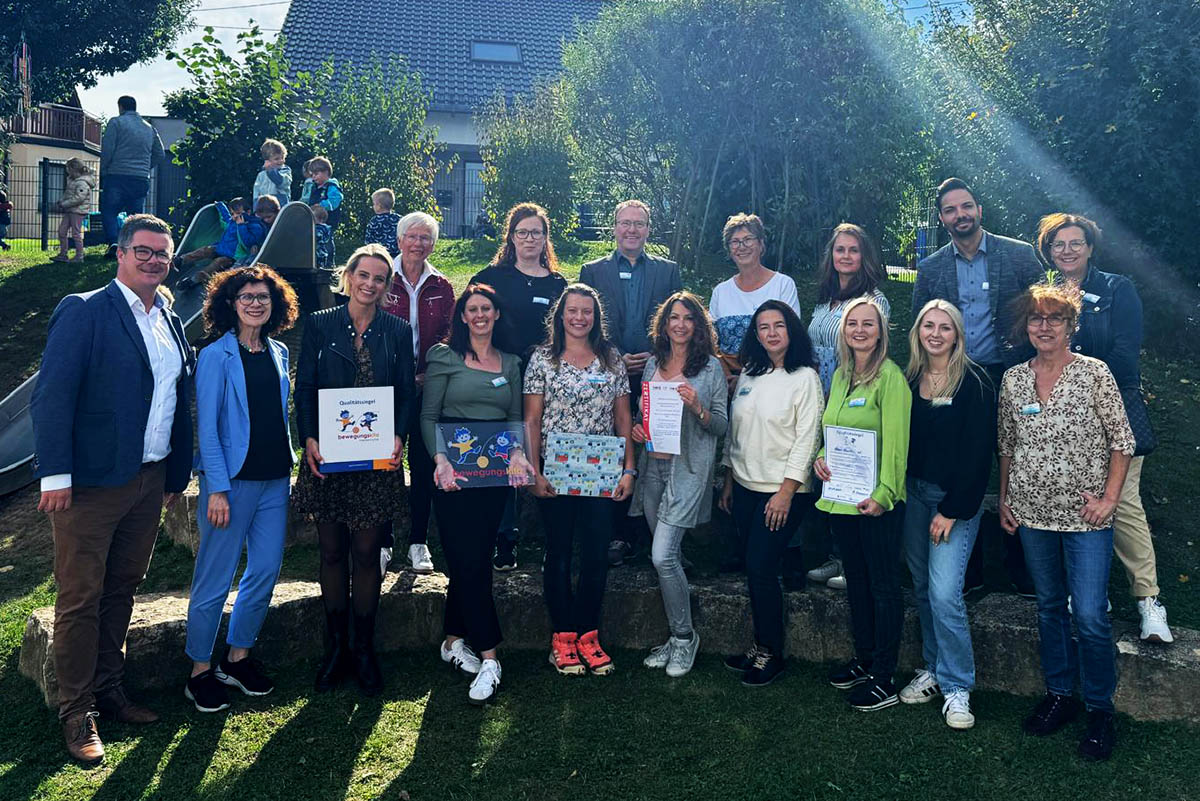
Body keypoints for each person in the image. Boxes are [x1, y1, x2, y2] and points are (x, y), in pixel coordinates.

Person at [31, 214, 195, 766]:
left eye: (163, 254)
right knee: (80, 596)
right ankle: (76, 710)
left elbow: (174, 401)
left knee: (123, 586)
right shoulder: (85, 310)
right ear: (121, 254)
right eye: (144, 251)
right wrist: (54, 475)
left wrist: (174, 477)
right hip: (90, 486)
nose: (154, 261)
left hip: (149, 481)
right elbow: (52, 396)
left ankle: (109, 689)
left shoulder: (169, 318)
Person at [998, 283, 1134, 762]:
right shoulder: (1014, 380)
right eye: (1036, 318)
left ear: (1071, 325)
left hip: (1086, 517)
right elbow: (1007, 446)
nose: (1045, 326)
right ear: (1027, 326)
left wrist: (1110, 499)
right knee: (1050, 605)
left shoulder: (1095, 374)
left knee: (1092, 615)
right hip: (1032, 512)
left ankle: (1099, 709)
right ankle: (1059, 694)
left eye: (1055, 318)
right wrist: (1005, 499)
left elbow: (1123, 442)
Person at [1036, 213, 1173, 644]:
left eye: (1076, 243)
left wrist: (1081, 388)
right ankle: (1091, 592)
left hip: (1113, 415)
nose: (1068, 251)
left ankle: (1149, 601)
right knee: (1075, 500)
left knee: (1124, 502)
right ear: (1049, 250)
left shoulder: (1118, 289)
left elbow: (1125, 354)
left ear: (1091, 247)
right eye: (1059, 244)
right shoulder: (1045, 298)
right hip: (1061, 422)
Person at [912, 177, 1044, 596]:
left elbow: (1047, 316)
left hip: (1011, 375)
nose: (960, 215)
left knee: (1019, 464)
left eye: (965, 206)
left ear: (979, 210)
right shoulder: (932, 267)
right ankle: (967, 573)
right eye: (950, 210)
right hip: (957, 378)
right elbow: (920, 322)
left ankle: (1022, 568)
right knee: (958, 462)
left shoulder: (1020, 256)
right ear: (941, 219)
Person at [294, 244, 415, 696]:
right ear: (348, 276)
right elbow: (304, 387)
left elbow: (406, 391)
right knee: (330, 553)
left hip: (377, 458)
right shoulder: (320, 323)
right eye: (363, 275)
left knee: (366, 553)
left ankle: (364, 648)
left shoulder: (396, 330)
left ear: (387, 286)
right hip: (327, 456)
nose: (370, 284)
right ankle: (336, 647)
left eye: (379, 278)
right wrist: (307, 437)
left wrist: (400, 434)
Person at [183, 266, 300, 713]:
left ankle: (237, 658)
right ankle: (199, 671)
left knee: (266, 570)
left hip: (274, 480)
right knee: (214, 579)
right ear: (230, 304)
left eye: (263, 297)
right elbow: (207, 428)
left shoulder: (279, 351)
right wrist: (215, 487)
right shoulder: (215, 355)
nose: (256, 303)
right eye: (247, 296)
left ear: (275, 305)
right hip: (230, 485)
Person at [421, 283, 535, 704]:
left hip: (494, 478)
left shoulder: (511, 362)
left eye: (487, 307)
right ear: (463, 316)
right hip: (454, 475)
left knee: (475, 561)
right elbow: (430, 414)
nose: (481, 314)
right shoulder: (444, 356)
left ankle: (452, 641)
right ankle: (490, 655)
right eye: (473, 309)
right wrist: (440, 460)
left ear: (496, 314)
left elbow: (511, 417)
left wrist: (519, 453)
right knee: (467, 562)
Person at [524, 285, 636, 676]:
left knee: (594, 553)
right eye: (572, 310)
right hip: (554, 471)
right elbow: (532, 420)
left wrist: (628, 468)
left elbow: (624, 419)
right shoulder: (542, 359)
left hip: (601, 472)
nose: (579, 318)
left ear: (595, 316)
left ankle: (589, 634)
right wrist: (533, 471)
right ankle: (562, 637)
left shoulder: (611, 359)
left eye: (587, 311)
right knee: (557, 552)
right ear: (560, 314)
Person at [898, 300, 995, 730]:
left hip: (952, 503)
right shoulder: (910, 377)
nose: (935, 334)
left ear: (958, 334)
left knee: (943, 593)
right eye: (928, 326)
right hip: (913, 496)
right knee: (921, 586)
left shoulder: (975, 382)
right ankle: (934, 668)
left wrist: (952, 510)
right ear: (918, 331)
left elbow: (978, 456)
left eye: (945, 327)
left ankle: (958, 686)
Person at [813, 297, 911, 712]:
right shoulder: (841, 375)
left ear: (881, 330)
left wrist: (884, 494)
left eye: (867, 323)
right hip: (843, 500)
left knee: (885, 586)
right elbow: (832, 428)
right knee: (857, 580)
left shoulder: (891, 379)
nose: (859, 330)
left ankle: (885, 676)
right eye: (852, 323)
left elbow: (896, 444)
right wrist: (820, 455)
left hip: (877, 504)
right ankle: (865, 658)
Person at [718, 300, 823, 686]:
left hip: (782, 492)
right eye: (763, 327)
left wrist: (786, 492)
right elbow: (736, 431)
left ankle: (771, 652)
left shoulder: (805, 378)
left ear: (791, 330)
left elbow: (808, 438)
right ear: (756, 335)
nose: (772, 333)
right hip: (744, 486)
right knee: (754, 568)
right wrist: (728, 479)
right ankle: (760, 643)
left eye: (779, 325)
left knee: (762, 568)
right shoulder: (749, 373)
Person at [578, 200, 682, 567]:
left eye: (639, 224)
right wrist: (615, 355)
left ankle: (660, 535)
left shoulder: (668, 272)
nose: (632, 230)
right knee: (615, 448)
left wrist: (655, 359)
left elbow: (678, 322)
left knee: (659, 452)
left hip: (659, 374)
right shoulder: (592, 271)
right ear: (614, 227)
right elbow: (583, 321)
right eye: (625, 223)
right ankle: (617, 534)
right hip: (609, 371)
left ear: (649, 230)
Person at [632, 292, 727, 678]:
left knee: (663, 557)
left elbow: (720, 425)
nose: (681, 324)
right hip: (653, 468)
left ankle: (685, 638)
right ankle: (675, 636)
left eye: (689, 318)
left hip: (688, 472)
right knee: (666, 558)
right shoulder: (653, 362)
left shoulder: (711, 370)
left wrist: (698, 408)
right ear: (664, 322)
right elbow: (645, 412)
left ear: (699, 325)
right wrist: (639, 428)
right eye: (674, 317)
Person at [470, 203, 568, 570]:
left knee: (544, 451)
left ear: (546, 239)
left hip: (547, 379)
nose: (530, 239)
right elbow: (471, 317)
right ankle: (505, 538)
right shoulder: (491, 276)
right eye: (523, 232)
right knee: (506, 450)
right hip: (503, 376)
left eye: (537, 233)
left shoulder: (559, 283)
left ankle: (552, 542)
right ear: (511, 237)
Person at [805, 223, 892, 591]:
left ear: (864, 256)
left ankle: (851, 558)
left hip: (852, 391)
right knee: (824, 469)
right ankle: (831, 554)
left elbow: (872, 346)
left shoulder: (874, 300)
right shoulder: (825, 300)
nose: (845, 256)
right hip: (819, 393)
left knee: (848, 468)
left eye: (853, 250)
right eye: (840, 250)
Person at [382, 211, 456, 574]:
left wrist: (432, 371)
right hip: (385, 388)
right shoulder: (382, 276)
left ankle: (417, 541)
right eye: (412, 236)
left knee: (424, 463)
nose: (418, 243)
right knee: (385, 463)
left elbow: (449, 334)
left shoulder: (441, 285)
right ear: (399, 240)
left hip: (427, 388)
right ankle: (382, 540)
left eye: (426, 238)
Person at [708, 213, 802, 380]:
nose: (742, 246)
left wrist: (750, 380)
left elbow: (792, 335)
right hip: (727, 381)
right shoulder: (720, 292)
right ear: (729, 249)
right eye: (735, 242)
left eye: (748, 239)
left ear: (761, 244)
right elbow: (711, 343)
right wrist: (727, 377)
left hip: (774, 378)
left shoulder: (783, 285)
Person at [99, 97, 166, 258]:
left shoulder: (116, 123)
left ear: (120, 107)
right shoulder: (149, 128)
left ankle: (114, 242)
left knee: (109, 210)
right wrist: (145, 167)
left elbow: (107, 150)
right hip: (140, 178)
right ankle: (134, 247)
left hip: (117, 175)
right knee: (135, 216)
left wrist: (103, 171)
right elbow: (160, 153)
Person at [174, 197, 268, 288]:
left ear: (248, 212)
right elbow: (225, 218)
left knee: (217, 263)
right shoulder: (232, 221)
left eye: (238, 213)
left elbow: (248, 243)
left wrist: (241, 226)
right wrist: (220, 206)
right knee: (205, 250)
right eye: (232, 213)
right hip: (220, 248)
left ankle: (193, 280)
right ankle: (181, 260)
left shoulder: (255, 226)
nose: (235, 216)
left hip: (233, 257)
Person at [53, 158, 96, 263]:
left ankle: (79, 256)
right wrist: (62, 201)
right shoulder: (72, 181)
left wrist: (64, 204)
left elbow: (79, 198)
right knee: (62, 231)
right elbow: (68, 194)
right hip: (70, 210)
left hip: (78, 211)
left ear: (73, 169)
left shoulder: (82, 183)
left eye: (67, 168)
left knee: (76, 233)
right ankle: (63, 254)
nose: (66, 171)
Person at [252, 138, 293, 208]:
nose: (281, 161)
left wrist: (270, 171)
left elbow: (281, 182)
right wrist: (256, 207)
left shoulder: (285, 170)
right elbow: (256, 192)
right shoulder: (261, 175)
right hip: (265, 205)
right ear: (267, 160)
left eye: (283, 157)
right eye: (276, 159)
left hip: (280, 204)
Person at [306, 156, 343, 230]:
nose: (313, 177)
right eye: (312, 175)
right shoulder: (314, 187)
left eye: (316, 174)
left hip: (328, 222)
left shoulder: (331, 187)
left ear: (326, 172)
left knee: (326, 239)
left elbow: (335, 200)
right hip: (314, 221)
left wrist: (321, 206)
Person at [365, 188, 403, 257]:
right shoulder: (399, 219)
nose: (373, 206)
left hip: (379, 255)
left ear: (379, 206)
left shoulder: (374, 222)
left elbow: (369, 241)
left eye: (374, 204)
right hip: (397, 254)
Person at [313, 204, 336, 270]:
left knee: (317, 268)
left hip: (318, 253)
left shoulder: (320, 229)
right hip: (322, 253)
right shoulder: (326, 228)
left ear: (320, 219)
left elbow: (317, 237)